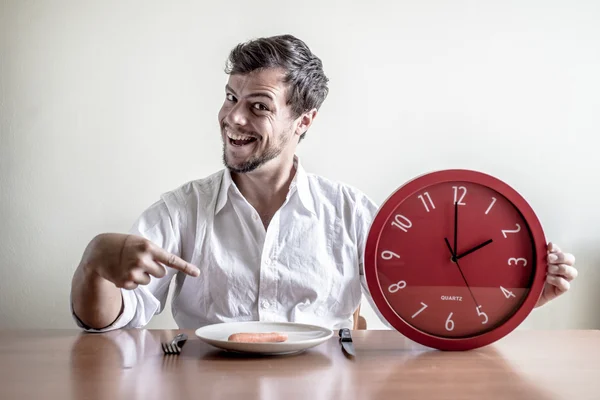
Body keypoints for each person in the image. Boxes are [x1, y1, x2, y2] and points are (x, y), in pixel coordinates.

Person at [70, 34, 578, 332]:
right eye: (230, 97)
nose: (233, 119)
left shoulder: (354, 213)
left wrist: (517, 301)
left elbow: (422, 319)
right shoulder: (181, 210)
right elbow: (119, 321)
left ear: (304, 121)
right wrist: (93, 265)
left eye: (258, 106)